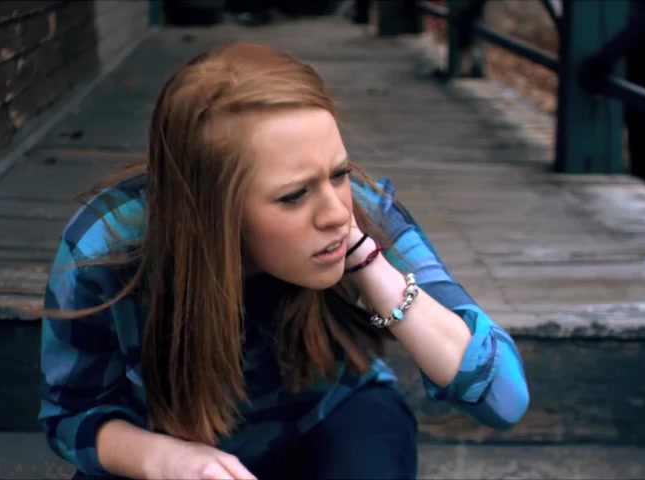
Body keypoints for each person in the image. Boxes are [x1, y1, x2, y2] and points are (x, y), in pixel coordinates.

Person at [38, 43, 529, 480]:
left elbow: (504, 398)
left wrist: (371, 266)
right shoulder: (104, 247)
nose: (336, 213)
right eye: (294, 195)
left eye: (338, 173)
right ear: (212, 207)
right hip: (171, 446)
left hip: (327, 419)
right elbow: (71, 416)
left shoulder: (359, 212)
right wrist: (165, 460)